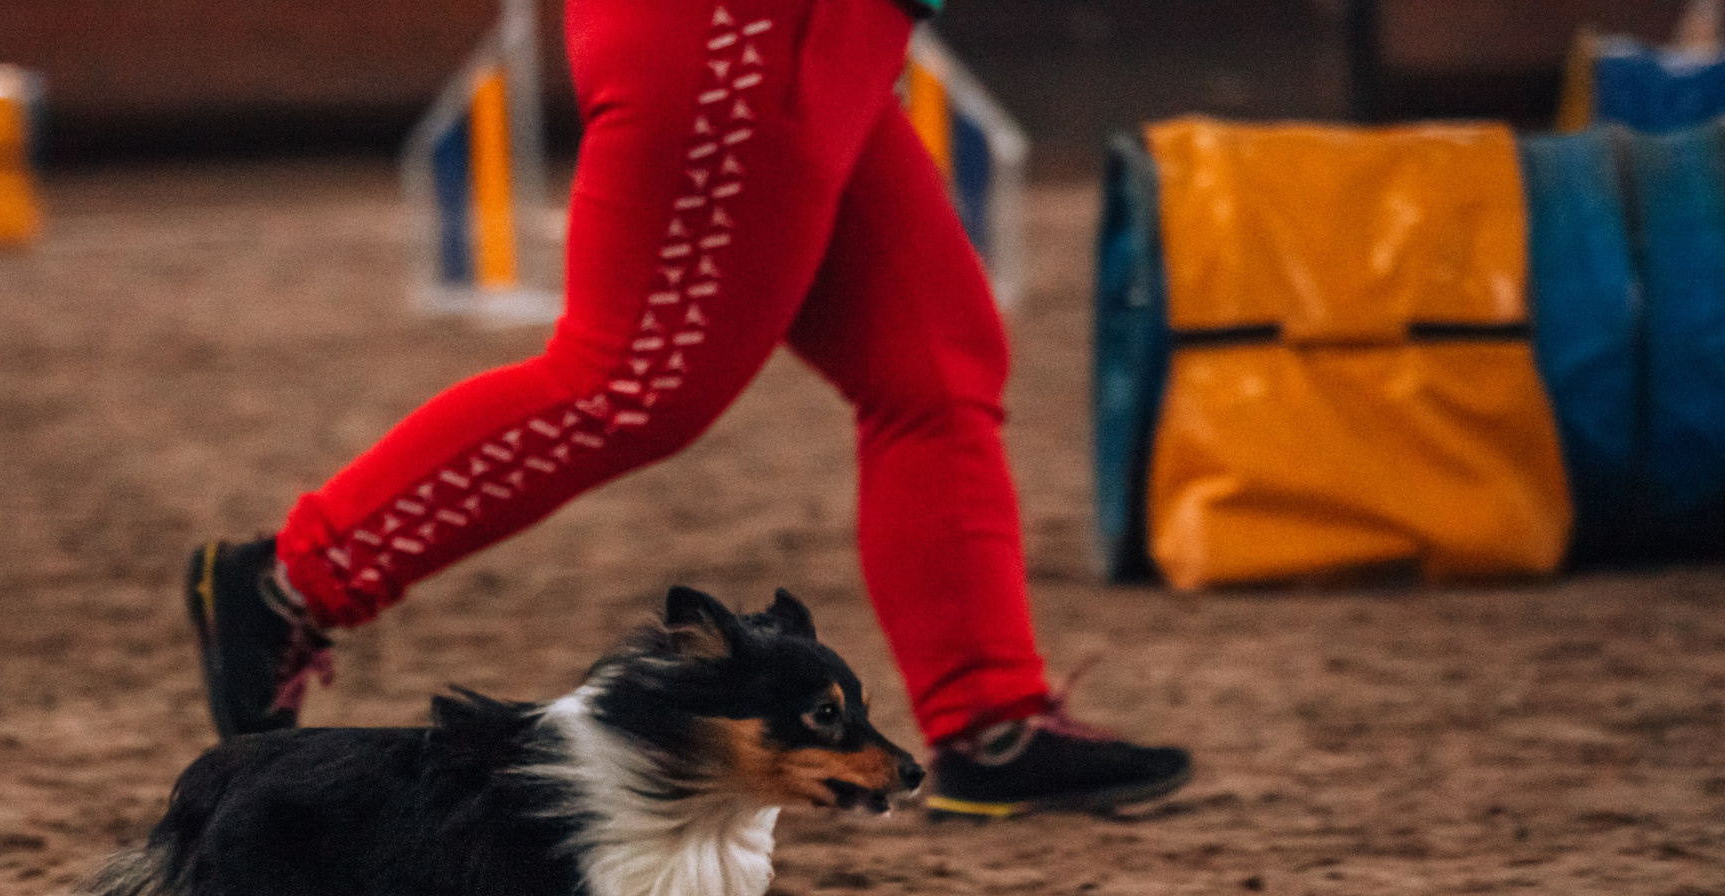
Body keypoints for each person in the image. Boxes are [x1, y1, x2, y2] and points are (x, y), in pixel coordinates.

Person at [187, 0, 1190, 818]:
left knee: (936, 369)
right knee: (634, 379)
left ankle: (991, 721)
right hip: (741, 27)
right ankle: (293, 580)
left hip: (834, 36)